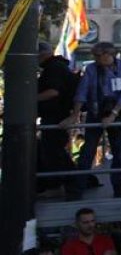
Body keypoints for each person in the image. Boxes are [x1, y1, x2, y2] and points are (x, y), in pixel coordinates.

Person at [66, 41, 121, 199]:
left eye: (98, 55)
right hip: (95, 112)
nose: (96, 58)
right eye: (94, 56)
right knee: (87, 150)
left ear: (108, 55)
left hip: (118, 113)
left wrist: (113, 114)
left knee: (119, 152)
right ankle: (78, 188)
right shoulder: (91, 68)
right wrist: (75, 113)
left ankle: (118, 187)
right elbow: (82, 91)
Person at [36, 41, 76, 191]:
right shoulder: (56, 67)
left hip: (56, 116)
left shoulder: (54, 68)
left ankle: (62, 185)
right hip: (55, 115)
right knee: (54, 151)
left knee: (53, 152)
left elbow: (54, 91)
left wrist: (30, 99)